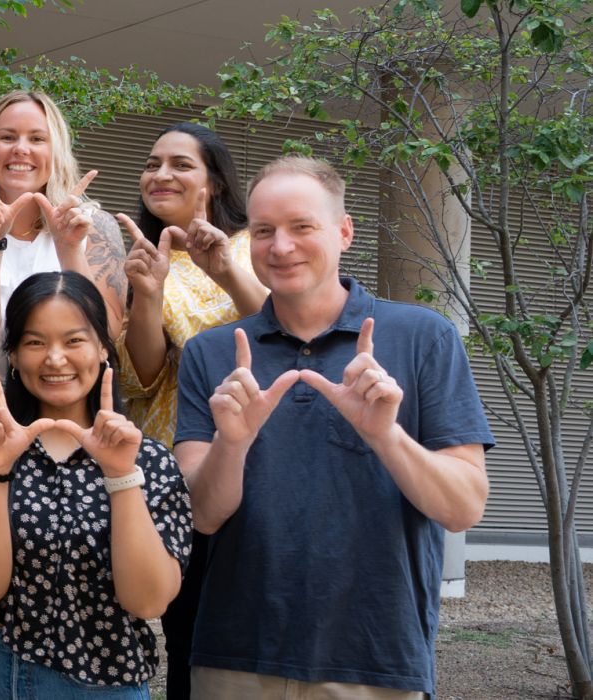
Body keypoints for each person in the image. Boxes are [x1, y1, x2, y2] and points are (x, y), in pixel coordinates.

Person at [176, 156, 493, 698]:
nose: (281, 247)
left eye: (302, 226)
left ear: (344, 232)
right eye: (264, 231)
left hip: (377, 659)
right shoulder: (213, 353)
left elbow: (463, 507)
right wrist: (233, 442)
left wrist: (386, 436)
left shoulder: (424, 338)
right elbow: (202, 516)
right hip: (236, 656)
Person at [0, 89, 128, 649]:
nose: (21, 149)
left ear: (55, 151)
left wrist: (72, 249)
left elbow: (108, 335)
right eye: (7, 136)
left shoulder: (94, 226)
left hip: (77, 415)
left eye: (36, 138)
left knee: (76, 579)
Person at [0, 271, 191, 698]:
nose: (55, 359)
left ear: (102, 348)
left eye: (74, 340)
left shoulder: (148, 460)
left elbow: (149, 601)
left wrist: (120, 475)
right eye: (35, 342)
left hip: (106, 680)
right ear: (13, 356)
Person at [113, 122, 264, 700]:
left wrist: (224, 270)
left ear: (215, 181)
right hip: (179, 468)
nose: (160, 174)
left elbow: (286, 329)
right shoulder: (142, 258)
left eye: (181, 164)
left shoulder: (252, 246)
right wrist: (149, 295)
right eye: (152, 163)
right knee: (190, 634)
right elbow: (142, 378)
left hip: (260, 454)